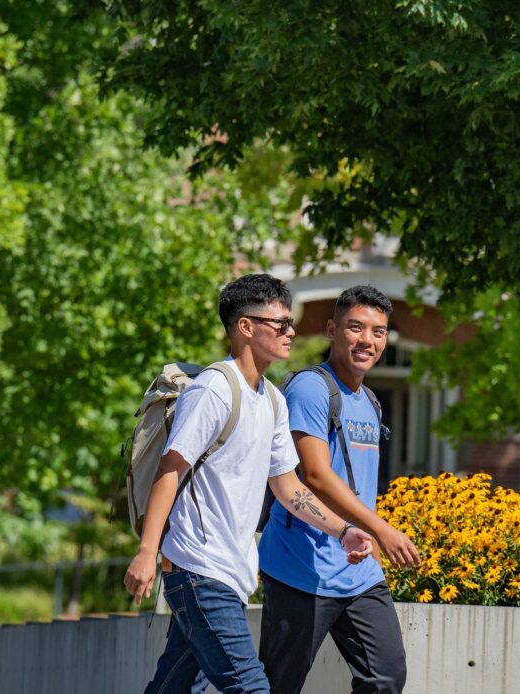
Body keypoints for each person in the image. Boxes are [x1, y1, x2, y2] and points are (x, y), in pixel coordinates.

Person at [124, 273, 374, 694]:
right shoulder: (214, 389)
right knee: (251, 687)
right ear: (245, 327)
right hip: (198, 569)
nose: (291, 332)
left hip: (231, 573)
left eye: (290, 323)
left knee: (175, 686)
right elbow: (171, 469)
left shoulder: (273, 400)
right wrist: (147, 552)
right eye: (280, 324)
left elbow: (290, 489)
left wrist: (343, 530)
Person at [258, 285, 421, 694]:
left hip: (358, 572)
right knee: (279, 685)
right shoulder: (311, 388)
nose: (368, 340)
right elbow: (313, 474)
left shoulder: (368, 399)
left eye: (379, 332)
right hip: (301, 569)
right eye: (356, 327)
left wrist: (369, 534)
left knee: (385, 678)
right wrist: (381, 528)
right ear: (332, 330)